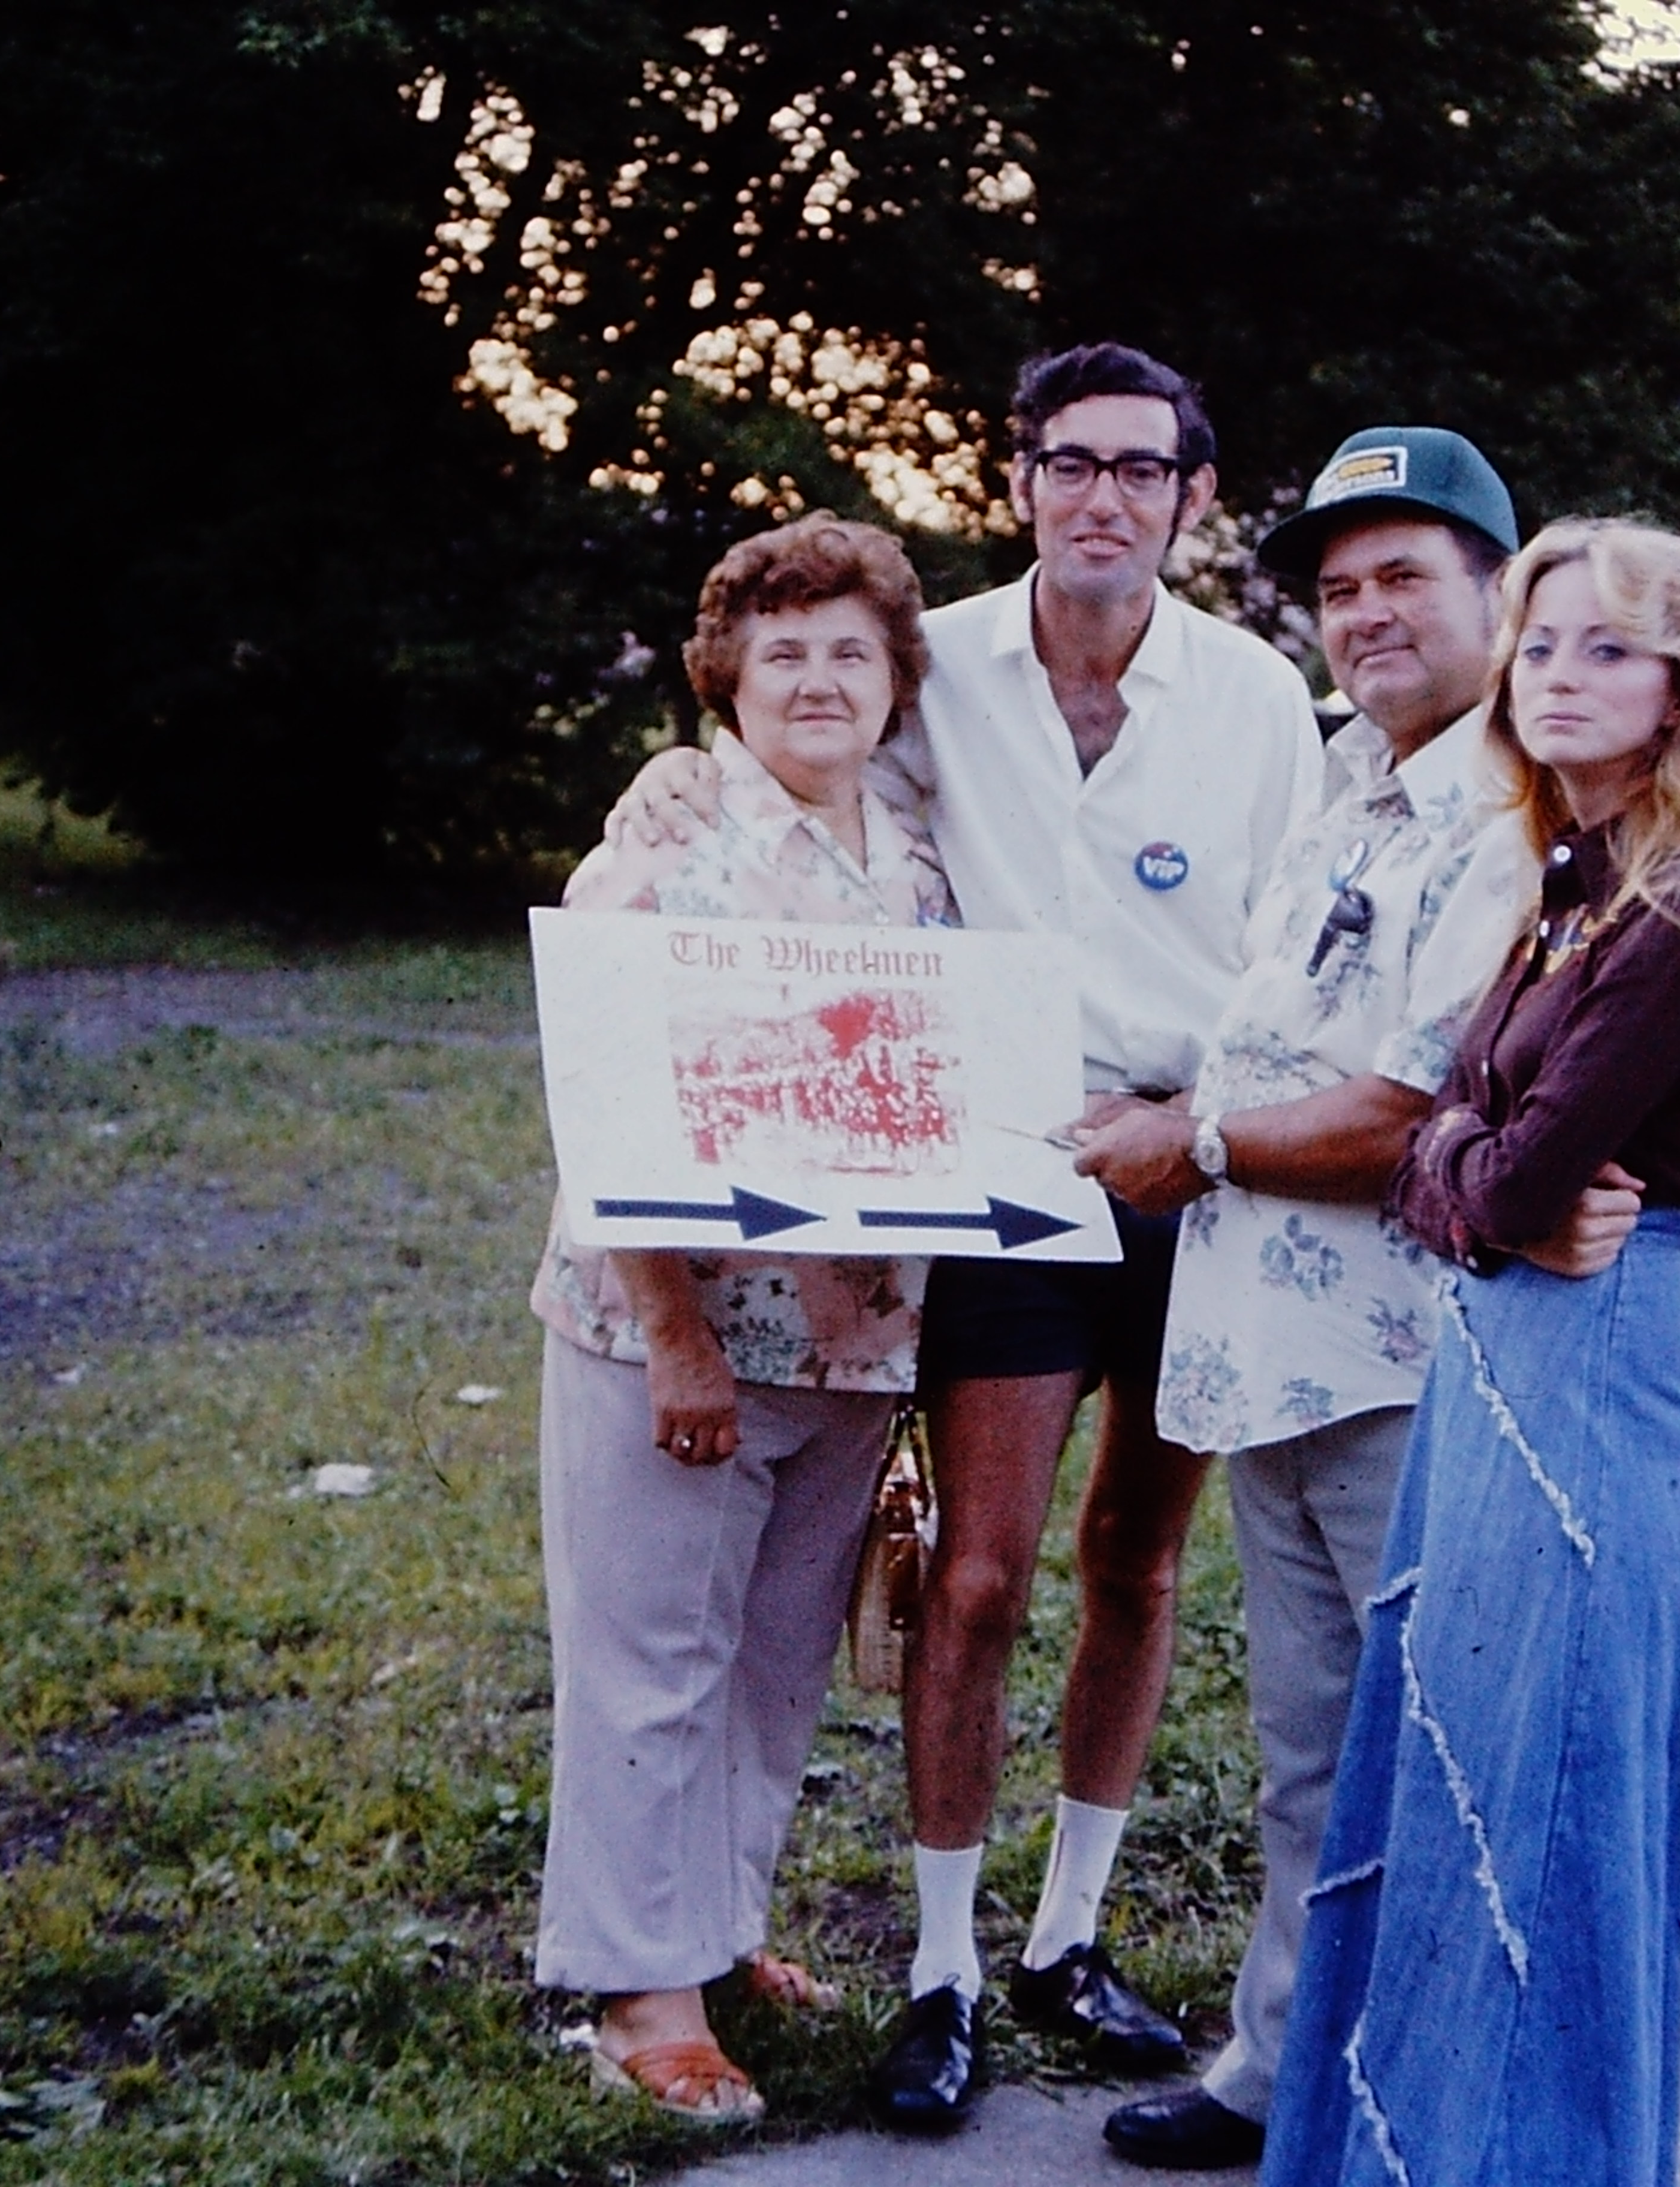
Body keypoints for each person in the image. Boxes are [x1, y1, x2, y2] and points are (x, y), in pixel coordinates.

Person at [611, 344, 1326, 2129]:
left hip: (1194, 1164)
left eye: (1140, 469)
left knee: (1139, 1565)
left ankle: (1066, 1939)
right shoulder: (946, 665)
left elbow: (1302, 944)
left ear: (1192, 496)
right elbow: (803, 745)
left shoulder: (1253, 697)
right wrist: (682, 782)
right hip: (1003, 1173)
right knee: (984, 1573)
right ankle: (941, 1969)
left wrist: (1209, 1131)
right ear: (1020, 480)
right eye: (1067, 461)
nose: (1102, 495)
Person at [1067, 427, 1637, 2171]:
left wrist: (1196, 1142)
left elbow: (1410, 1107)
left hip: (1420, 1366)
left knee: (1438, 1756)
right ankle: (1282, 2067)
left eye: (1407, 574)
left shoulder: (1517, 812)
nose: (1366, 612)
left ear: (1499, 589)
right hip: (1277, 1358)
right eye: (1337, 585)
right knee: (1314, 1746)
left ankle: (1415, 2101)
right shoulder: (1345, 777)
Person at [1260, 517, 1680, 2186]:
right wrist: (1469, 1173)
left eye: (1606, 649)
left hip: (1594, 1378)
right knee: (1452, 1784)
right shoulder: (1571, 881)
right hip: (1499, 1357)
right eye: (1539, 646)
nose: (1561, 677)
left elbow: (1500, 1168)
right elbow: (1454, 1145)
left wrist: (1470, 1171)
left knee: (1544, 1809)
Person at [527, 512, 955, 2127]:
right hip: (681, 1335)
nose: (823, 679)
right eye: (785, 653)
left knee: (775, 1660)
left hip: (850, 1345)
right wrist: (677, 1337)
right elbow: (612, 1099)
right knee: (656, 1654)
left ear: (898, 679)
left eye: (854, 649)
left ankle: (714, 1932)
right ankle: (639, 1995)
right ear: (727, 682)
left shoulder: (910, 865)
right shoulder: (662, 852)